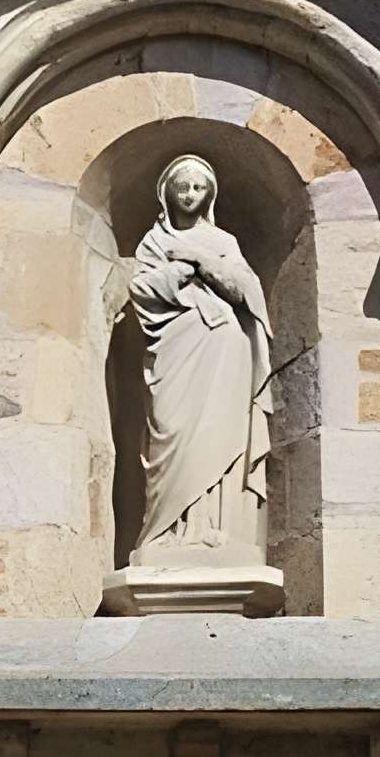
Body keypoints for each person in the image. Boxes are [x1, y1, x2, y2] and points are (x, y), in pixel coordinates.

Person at [125, 153, 273, 555]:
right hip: (175, 347)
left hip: (223, 347)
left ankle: (213, 527)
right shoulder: (154, 242)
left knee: (217, 432)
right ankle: (166, 532)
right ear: (167, 193)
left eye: (198, 188)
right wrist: (177, 272)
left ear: (209, 194)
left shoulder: (223, 243)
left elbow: (246, 291)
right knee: (172, 428)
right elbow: (140, 290)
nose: (190, 194)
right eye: (183, 187)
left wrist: (201, 262)